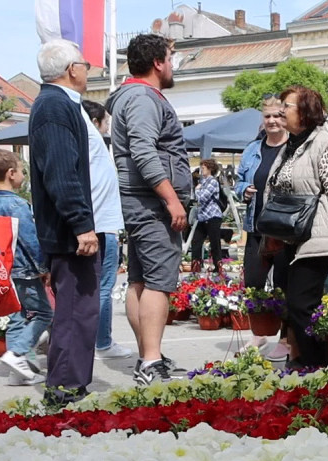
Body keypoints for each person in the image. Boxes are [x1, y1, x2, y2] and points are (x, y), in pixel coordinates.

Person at [107, 33, 190, 385]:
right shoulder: (142, 97)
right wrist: (171, 199)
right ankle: (151, 362)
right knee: (158, 281)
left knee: (140, 280)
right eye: (170, 58)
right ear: (157, 62)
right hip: (151, 203)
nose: (172, 65)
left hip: (140, 201)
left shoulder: (133, 96)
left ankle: (147, 355)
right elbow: (143, 152)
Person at [28, 40, 101, 408]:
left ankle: (68, 387)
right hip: (69, 234)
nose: (88, 70)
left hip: (69, 230)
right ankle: (65, 392)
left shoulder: (55, 105)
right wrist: (81, 224)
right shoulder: (55, 106)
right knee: (75, 312)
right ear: (72, 69)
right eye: (85, 64)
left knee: (78, 311)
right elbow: (61, 173)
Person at [262, 86, 328, 368]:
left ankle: (318, 367)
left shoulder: (324, 143)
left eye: (286, 106)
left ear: (304, 111)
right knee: (297, 307)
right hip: (291, 238)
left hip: (318, 238)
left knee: (302, 304)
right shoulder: (291, 144)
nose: (280, 111)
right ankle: (313, 365)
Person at [0, 150, 50, 385]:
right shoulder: (17, 205)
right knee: (44, 313)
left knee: (17, 317)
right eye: (22, 171)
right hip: (23, 270)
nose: (24, 175)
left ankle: (18, 373)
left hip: (2, 271)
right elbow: (30, 239)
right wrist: (44, 267)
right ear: (11, 174)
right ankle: (16, 353)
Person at [235, 96, 290, 359]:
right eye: (267, 116)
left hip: (283, 230)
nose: (272, 121)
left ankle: (286, 339)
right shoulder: (252, 149)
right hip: (256, 227)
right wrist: (243, 189)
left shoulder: (294, 149)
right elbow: (238, 182)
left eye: (278, 115)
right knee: (254, 284)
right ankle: (258, 337)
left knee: (284, 284)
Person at [80, 99, 133, 361]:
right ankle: (102, 341)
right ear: (94, 123)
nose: (107, 127)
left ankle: (93, 341)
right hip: (103, 227)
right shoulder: (95, 147)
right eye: (105, 122)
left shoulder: (83, 150)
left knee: (91, 288)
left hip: (95, 225)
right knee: (103, 288)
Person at [189, 159, 224, 273]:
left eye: (203, 168)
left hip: (213, 215)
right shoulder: (203, 182)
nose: (201, 170)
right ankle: (196, 265)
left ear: (210, 169)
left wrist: (197, 190)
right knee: (196, 241)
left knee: (214, 242)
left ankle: (218, 266)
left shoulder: (212, 182)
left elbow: (202, 198)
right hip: (202, 216)